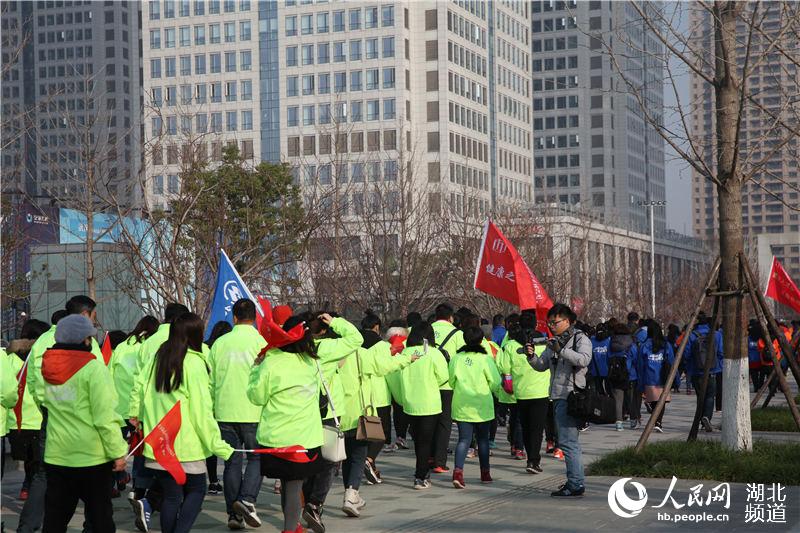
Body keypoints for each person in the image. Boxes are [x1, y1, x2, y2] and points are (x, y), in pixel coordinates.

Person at [134, 312, 234, 533]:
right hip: (185, 445)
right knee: (196, 491)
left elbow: (140, 393)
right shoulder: (193, 364)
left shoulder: (158, 358)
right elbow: (201, 412)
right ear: (195, 334)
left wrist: (140, 421)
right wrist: (218, 446)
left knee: (171, 496)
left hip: (160, 442)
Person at [21, 297, 104, 533]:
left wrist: (46, 406)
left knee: (44, 474)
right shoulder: (86, 340)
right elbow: (98, 379)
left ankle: (28, 527)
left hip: (52, 415)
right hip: (85, 419)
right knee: (93, 474)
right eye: (93, 316)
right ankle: (93, 525)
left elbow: (33, 380)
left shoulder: (43, 341)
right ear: (85, 315)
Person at [40, 314, 128, 532]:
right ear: (85, 340)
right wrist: (118, 452)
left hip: (57, 453)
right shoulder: (94, 369)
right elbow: (105, 417)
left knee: (54, 520)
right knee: (100, 520)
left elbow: (42, 399)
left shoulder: (48, 368)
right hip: (92, 457)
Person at [247, 314, 326, 533]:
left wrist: (255, 368)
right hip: (304, 437)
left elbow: (256, 397)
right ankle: (290, 529)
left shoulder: (271, 361)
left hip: (276, 437)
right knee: (293, 484)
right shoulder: (311, 362)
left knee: (289, 483)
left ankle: (292, 526)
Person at [338, 311, 415, 517]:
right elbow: (387, 366)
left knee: (345, 457)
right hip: (360, 412)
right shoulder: (362, 354)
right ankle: (351, 493)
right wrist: (409, 358)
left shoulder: (331, 354)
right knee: (358, 454)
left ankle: (328, 499)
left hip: (336, 414)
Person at [208, 299, 268, 530]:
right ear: (254, 318)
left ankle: (234, 514)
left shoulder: (219, 344)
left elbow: (211, 381)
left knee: (232, 461)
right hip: (254, 410)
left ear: (234, 317)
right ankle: (246, 500)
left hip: (224, 410)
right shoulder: (262, 342)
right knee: (256, 458)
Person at [301, 312, 363, 533]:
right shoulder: (326, 348)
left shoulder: (298, 348)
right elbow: (357, 338)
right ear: (325, 329)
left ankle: (307, 502)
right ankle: (315, 504)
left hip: (302, 412)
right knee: (329, 462)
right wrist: (336, 321)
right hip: (327, 412)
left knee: (309, 458)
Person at [527, 303, 592, 498]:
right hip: (557, 395)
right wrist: (531, 357)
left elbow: (584, 360)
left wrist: (561, 350)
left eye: (555, 322)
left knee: (568, 442)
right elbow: (541, 365)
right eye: (549, 323)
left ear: (568, 321)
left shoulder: (580, 338)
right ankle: (575, 481)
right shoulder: (553, 341)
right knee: (568, 442)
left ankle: (575, 484)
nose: (551, 326)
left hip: (572, 396)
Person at [109, 316, 160, 497]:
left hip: (117, 406)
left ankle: (114, 482)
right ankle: (138, 486)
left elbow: (109, 374)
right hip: (138, 408)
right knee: (140, 448)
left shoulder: (121, 347)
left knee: (115, 447)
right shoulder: (149, 348)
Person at [398, 322, 449, 489]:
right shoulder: (434, 353)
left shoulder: (405, 352)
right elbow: (443, 377)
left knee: (418, 439)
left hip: (410, 402)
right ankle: (420, 476)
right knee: (426, 441)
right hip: (430, 403)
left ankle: (421, 472)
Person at [449, 326, 501, 488]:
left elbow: (451, 381)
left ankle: (458, 471)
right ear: (481, 340)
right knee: (483, 440)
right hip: (482, 405)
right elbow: (495, 381)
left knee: (464, 439)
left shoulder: (456, 358)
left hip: (462, 404)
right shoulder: (485, 359)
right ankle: (485, 473)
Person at [7, 319, 49, 502]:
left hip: (15, 418)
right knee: (40, 462)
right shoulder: (41, 357)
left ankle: (26, 487)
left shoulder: (9, 359)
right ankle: (32, 490)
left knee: (29, 460)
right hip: (38, 417)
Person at [506, 311, 551, 474]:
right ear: (535, 324)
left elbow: (503, 368)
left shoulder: (511, 345)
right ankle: (533, 460)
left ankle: (529, 458)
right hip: (541, 391)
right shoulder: (544, 342)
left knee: (525, 427)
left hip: (521, 391)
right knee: (537, 428)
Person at [429, 303, 464, 473]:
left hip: (427, 383)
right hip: (447, 384)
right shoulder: (457, 334)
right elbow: (462, 358)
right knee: (444, 423)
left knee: (428, 422)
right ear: (451, 317)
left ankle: (428, 456)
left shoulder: (426, 330)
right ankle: (439, 462)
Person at [205, 319, 233, 497]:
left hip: (209, 402)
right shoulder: (225, 350)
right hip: (226, 404)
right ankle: (231, 479)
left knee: (210, 444)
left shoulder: (206, 349)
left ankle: (213, 480)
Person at [684, 312, 723, 432]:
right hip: (712, 370)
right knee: (710, 396)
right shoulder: (717, 335)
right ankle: (707, 417)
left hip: (696, 372)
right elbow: (721, 353)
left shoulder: (691, 335)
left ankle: (700, 419)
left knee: (700, 396)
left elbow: (686, 354)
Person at [637, 320, 676, 432]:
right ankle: (658, 421)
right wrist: (675, 380)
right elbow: (672, 362)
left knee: (654, 401)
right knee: (661, 401)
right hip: (663, 377)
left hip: (649, 377)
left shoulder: (644, 346)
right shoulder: (666, 345)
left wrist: (640, 383)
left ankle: (656, 421)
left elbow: (640, 365)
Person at [496, 313, 526, 459]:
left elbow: (500, 364)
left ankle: (514, 445)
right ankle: (518, 447)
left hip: (508, 388)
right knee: (518, 418)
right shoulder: (520, 343)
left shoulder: (506, 342)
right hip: (520, 386)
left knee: (514, 417)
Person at [384, 320, 410, 450]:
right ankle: (404, 436)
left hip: (389, 381)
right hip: (406, 380)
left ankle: (399, 436)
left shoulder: (385, 345)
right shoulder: (407, 343)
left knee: (396, 410)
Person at [607, 322, 638, 431]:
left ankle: (619, 423)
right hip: (630, 375)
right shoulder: (631, 343)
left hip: (615, 374)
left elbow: (608, 357)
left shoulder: (612, 342)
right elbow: (635, 359)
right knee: (631, 399)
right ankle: (633, 421)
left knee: (618, 400)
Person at [746, 320, 765, 393]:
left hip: (753, 360)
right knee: (760, 374)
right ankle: (758, 386)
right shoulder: (761, 338)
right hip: (759, 360)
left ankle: (757, 386)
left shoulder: (749, 338)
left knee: (754, 375)